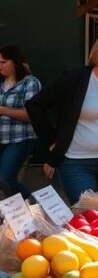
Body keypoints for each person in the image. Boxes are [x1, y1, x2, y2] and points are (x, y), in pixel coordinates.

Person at [27, 30, 98, 204]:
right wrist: (50, 141)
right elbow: (35, 105)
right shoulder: (75, 78)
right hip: (74, 163)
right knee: (89, 212)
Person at [0, 46, 41, 196]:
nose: (0, 66)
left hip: (20, 138)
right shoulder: (1, 84)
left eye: (4, 62)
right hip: (2, 138)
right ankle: (16, 214)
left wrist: (3, 110)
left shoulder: (29, 83)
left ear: (15, 62)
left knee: (5, 178)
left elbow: (31, 114)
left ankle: (34, 205)